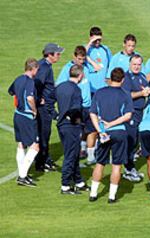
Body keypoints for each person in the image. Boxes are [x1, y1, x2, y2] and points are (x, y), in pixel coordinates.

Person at [89, 68, 133, 203]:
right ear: (123, 79)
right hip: (119, 132)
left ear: (110, 78)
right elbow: (127, 115)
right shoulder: (125, 94)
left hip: (103, 133)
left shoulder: (99, 92)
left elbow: (93, 113)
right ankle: (112, 196)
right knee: (116, 165)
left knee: (100, 163)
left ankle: (93, 193)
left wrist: (100, 129)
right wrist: (112, 124)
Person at [55, 46, 95, 166]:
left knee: (92, 130)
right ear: (74, 56)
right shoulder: (68, 69)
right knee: (78, 131)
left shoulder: (86, 67)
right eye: (79, 59)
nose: (81, 61)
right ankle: (79, 153)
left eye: (83, 59)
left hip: (88, 105)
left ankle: (90, 155)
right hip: (76, 107)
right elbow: (59, 86)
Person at [55, 65, 90, 194]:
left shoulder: (60, 86)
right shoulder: (76, 90)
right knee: (70, 155)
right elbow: (75, 109)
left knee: (74, 154)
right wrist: (80, 119)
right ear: (80, 75)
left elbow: (47, 101)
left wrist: (56, 115)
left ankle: (79, 182)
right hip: (72, 126)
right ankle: (65, 185)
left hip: (62, 125)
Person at [8, 58, 40, 187]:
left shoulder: (18, 79)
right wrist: (34, 110)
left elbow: (11, 92)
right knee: (35, 146)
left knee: (21, 144)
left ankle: (23, 174)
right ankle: (22, 176)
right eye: (37, 69)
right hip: (27, 117)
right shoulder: (30, 82)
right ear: (33, 69)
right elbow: (30, 97)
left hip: (17, 115)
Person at [34, 43, 64, 172]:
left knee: (45, 133)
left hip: (46, 105)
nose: (59, 56)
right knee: (43, 134)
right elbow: (36, 85)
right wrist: (39, 99)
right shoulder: (44, 68)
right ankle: (41, 162)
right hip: (44, 107)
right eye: (57, 54)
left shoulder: (45, 65)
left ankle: (45, 159)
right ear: (49, 54)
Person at [121, 54, 150, 182]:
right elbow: (126, 95)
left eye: (139, 64)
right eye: (134, 64)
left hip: (140, 112)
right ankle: (128, 169)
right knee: (131, 139)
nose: (137, 67)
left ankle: (129, 166)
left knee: (135, 140)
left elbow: (145, 90)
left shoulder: (142, 76)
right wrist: (141, 93)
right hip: (131, 112)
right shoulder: (127, 78)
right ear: (129, 64)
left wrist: (148, 91)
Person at [85, 26, 112, 93]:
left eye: (99, 40)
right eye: (95, 40)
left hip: (104, 87)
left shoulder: (105, 49)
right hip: (90, 88)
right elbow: (81, 55)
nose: (97, 42)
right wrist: (90, 42)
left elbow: (111, 65)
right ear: (90, 38)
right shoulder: (86, 49)